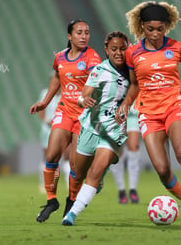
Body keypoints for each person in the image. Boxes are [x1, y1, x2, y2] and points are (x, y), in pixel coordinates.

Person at [116, 1, 181, 225]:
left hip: (174, 106)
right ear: (141, 26)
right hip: (149, 114)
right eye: (150, 29)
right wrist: (126, 103)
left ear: (167, 26)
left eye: (160, 29)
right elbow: (134, 85)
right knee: (163, 170)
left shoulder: (178, 48)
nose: (155, 34)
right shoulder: (133, 53)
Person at [30, 19, 102, 223]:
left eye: (87, 32)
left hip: (84, 116)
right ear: (69, 36)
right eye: (79, 32)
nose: (84, 36)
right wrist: (45, 102)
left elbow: (98, 81)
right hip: (64, 110)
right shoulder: (60, 57)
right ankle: (52, 200)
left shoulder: (92, 57)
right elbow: (56, 78)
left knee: (76, 167)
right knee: (52, 155)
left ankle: (71, 200)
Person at [62, 31, 130, 226]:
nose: (118, 53)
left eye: (122, 48)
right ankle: (97, 180)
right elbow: (83, 95)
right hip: (91, 127)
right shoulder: (99, 70)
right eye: (114, 49)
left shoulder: (133, 72)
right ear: (107, 50)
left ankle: (71, 215)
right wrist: (84, 101)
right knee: (78, 172)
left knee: (94, 173)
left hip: (114, 130)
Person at [37, 78, 70, 193]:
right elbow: (41, 110)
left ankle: (69, 184)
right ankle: (44, 184)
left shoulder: (65, 94)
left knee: (67, 156)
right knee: (48, 157)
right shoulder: (45, 93)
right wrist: (46, 120)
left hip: (63, 129)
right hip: (48, 130)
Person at [110, 103, 142, 204]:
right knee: (118, 152)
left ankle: (133, 189)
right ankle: (121, 190)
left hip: (133, 113)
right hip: (117, 112)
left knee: (133, 147)